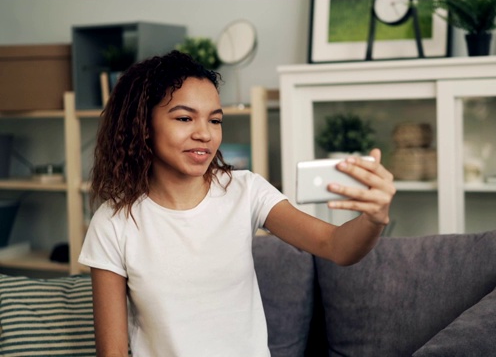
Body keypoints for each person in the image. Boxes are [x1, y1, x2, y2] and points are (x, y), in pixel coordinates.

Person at [79, 50, 396, 356]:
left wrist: (373, 219)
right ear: (143, 126)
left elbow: (336, 246)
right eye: (185, 118)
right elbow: (114, 351)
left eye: (214, 121)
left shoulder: (246, 190)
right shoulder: (113, 222)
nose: (204, 134)